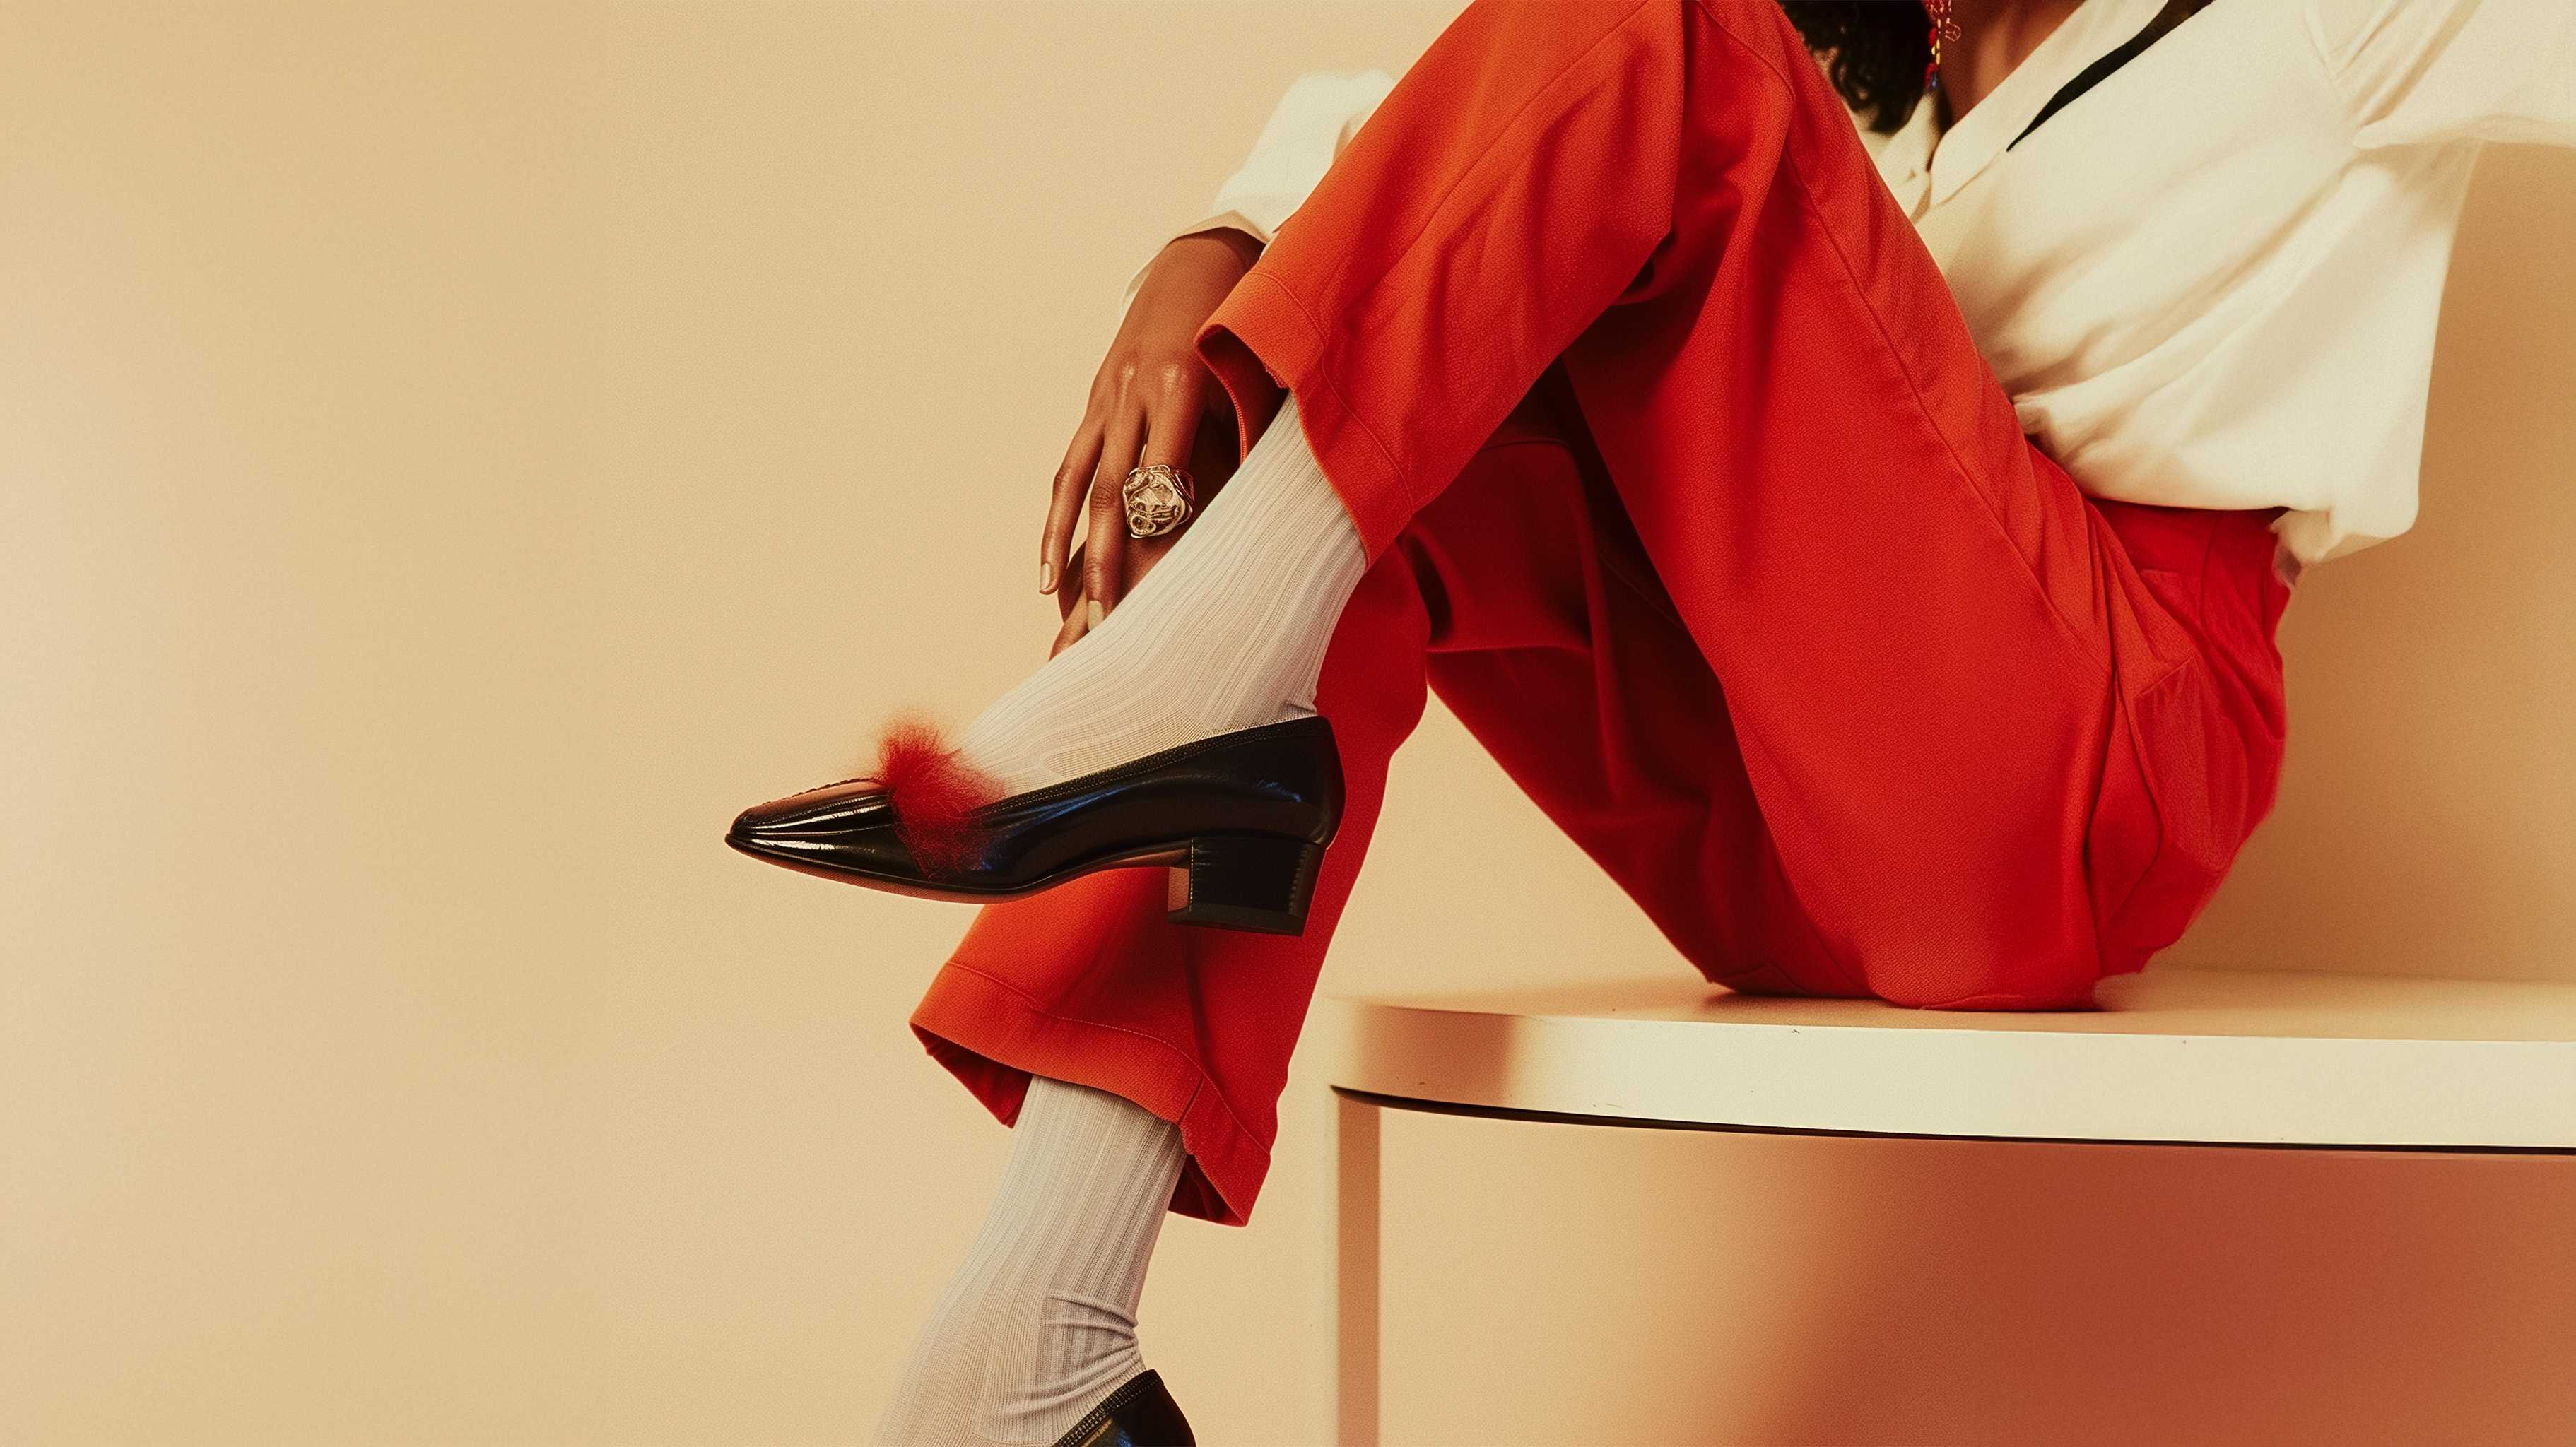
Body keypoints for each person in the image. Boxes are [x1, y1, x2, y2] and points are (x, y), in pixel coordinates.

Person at [722, 1, 2575, 1441]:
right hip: (1782, 816)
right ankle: (1032, 1351)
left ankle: (1183, 707)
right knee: (1401, 376)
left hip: (2084, 767)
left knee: (1646, 48)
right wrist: (1201, 251)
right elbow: (1442, 148)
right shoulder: (1851, 72)